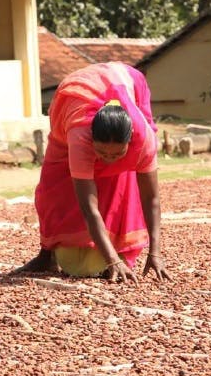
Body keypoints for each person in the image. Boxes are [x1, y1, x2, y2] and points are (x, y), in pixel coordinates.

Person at [14, 62, 171, 284]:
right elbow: (89, 207)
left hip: (128, 83)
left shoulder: (144, 141)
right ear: (91, 140)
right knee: (51, 190)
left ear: (130, 141)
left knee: (119, 182)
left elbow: (151, 198)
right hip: (75, 96)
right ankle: (46, 255)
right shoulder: (80, 135)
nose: (107, 159)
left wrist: (155, 253)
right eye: (101, 152)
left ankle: (121, 248)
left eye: (117, 154)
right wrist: (112, 262)